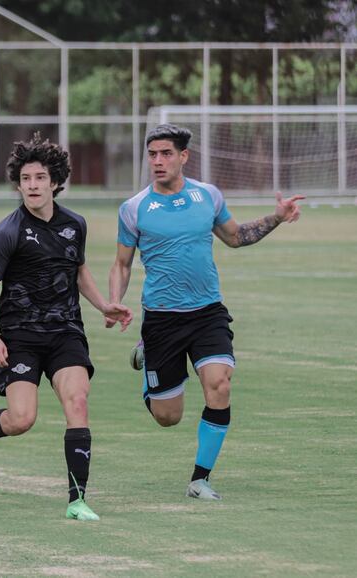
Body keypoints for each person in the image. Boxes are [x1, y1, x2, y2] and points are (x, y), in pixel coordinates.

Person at [107, 124, 304, 500]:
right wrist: (115, 300)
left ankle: (200, 479)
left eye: (166, 154)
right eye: (153, 155)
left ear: (183, 156)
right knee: (168, 417)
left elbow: (235, 236)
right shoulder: (133, 208)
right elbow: (121, 263)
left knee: (220, 384)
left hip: (207, 313)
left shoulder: (207, 196)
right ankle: (148, 358)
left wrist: (276, 218)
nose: (158, 161)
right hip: (162, 319)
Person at [0, 133, 133, 521]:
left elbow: (78, 271)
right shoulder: (8, 231)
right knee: (21, 419)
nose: (32, 185)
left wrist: (105, 305)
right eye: (25, 179)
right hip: (20, 337)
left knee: (77, 402)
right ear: (18, 185)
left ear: (55, 182)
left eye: (40, 178)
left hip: (66, 332)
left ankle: (77, 501)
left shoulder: (75, 224)